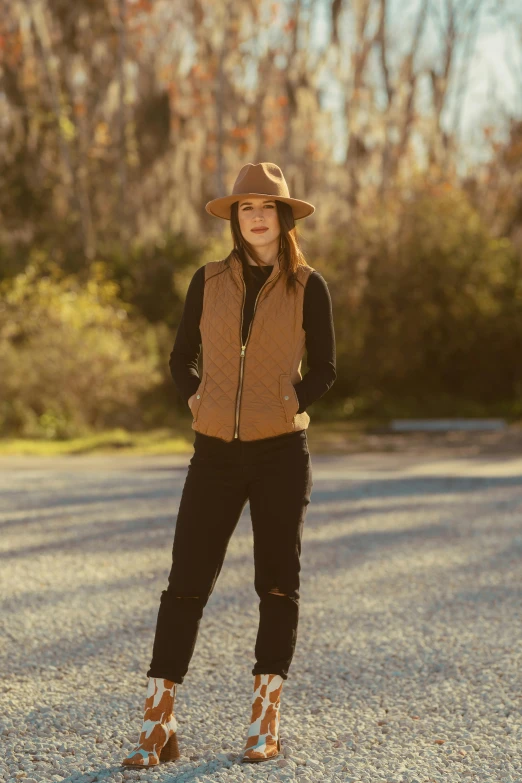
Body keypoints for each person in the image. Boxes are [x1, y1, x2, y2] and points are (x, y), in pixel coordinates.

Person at [121, 162, 336, 767]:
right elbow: (178, 357)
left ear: (285, 216)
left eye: (267, 207)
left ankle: (263, 722)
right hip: (213, 452)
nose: (257, 216)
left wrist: (292, 400)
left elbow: (325, 367)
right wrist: (194, 397)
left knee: (276, 584)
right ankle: (156, 723)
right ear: (235, 218)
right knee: (185, 584)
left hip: (280, 454)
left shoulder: (307, 285)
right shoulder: (208, 280)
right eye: (246, 208)